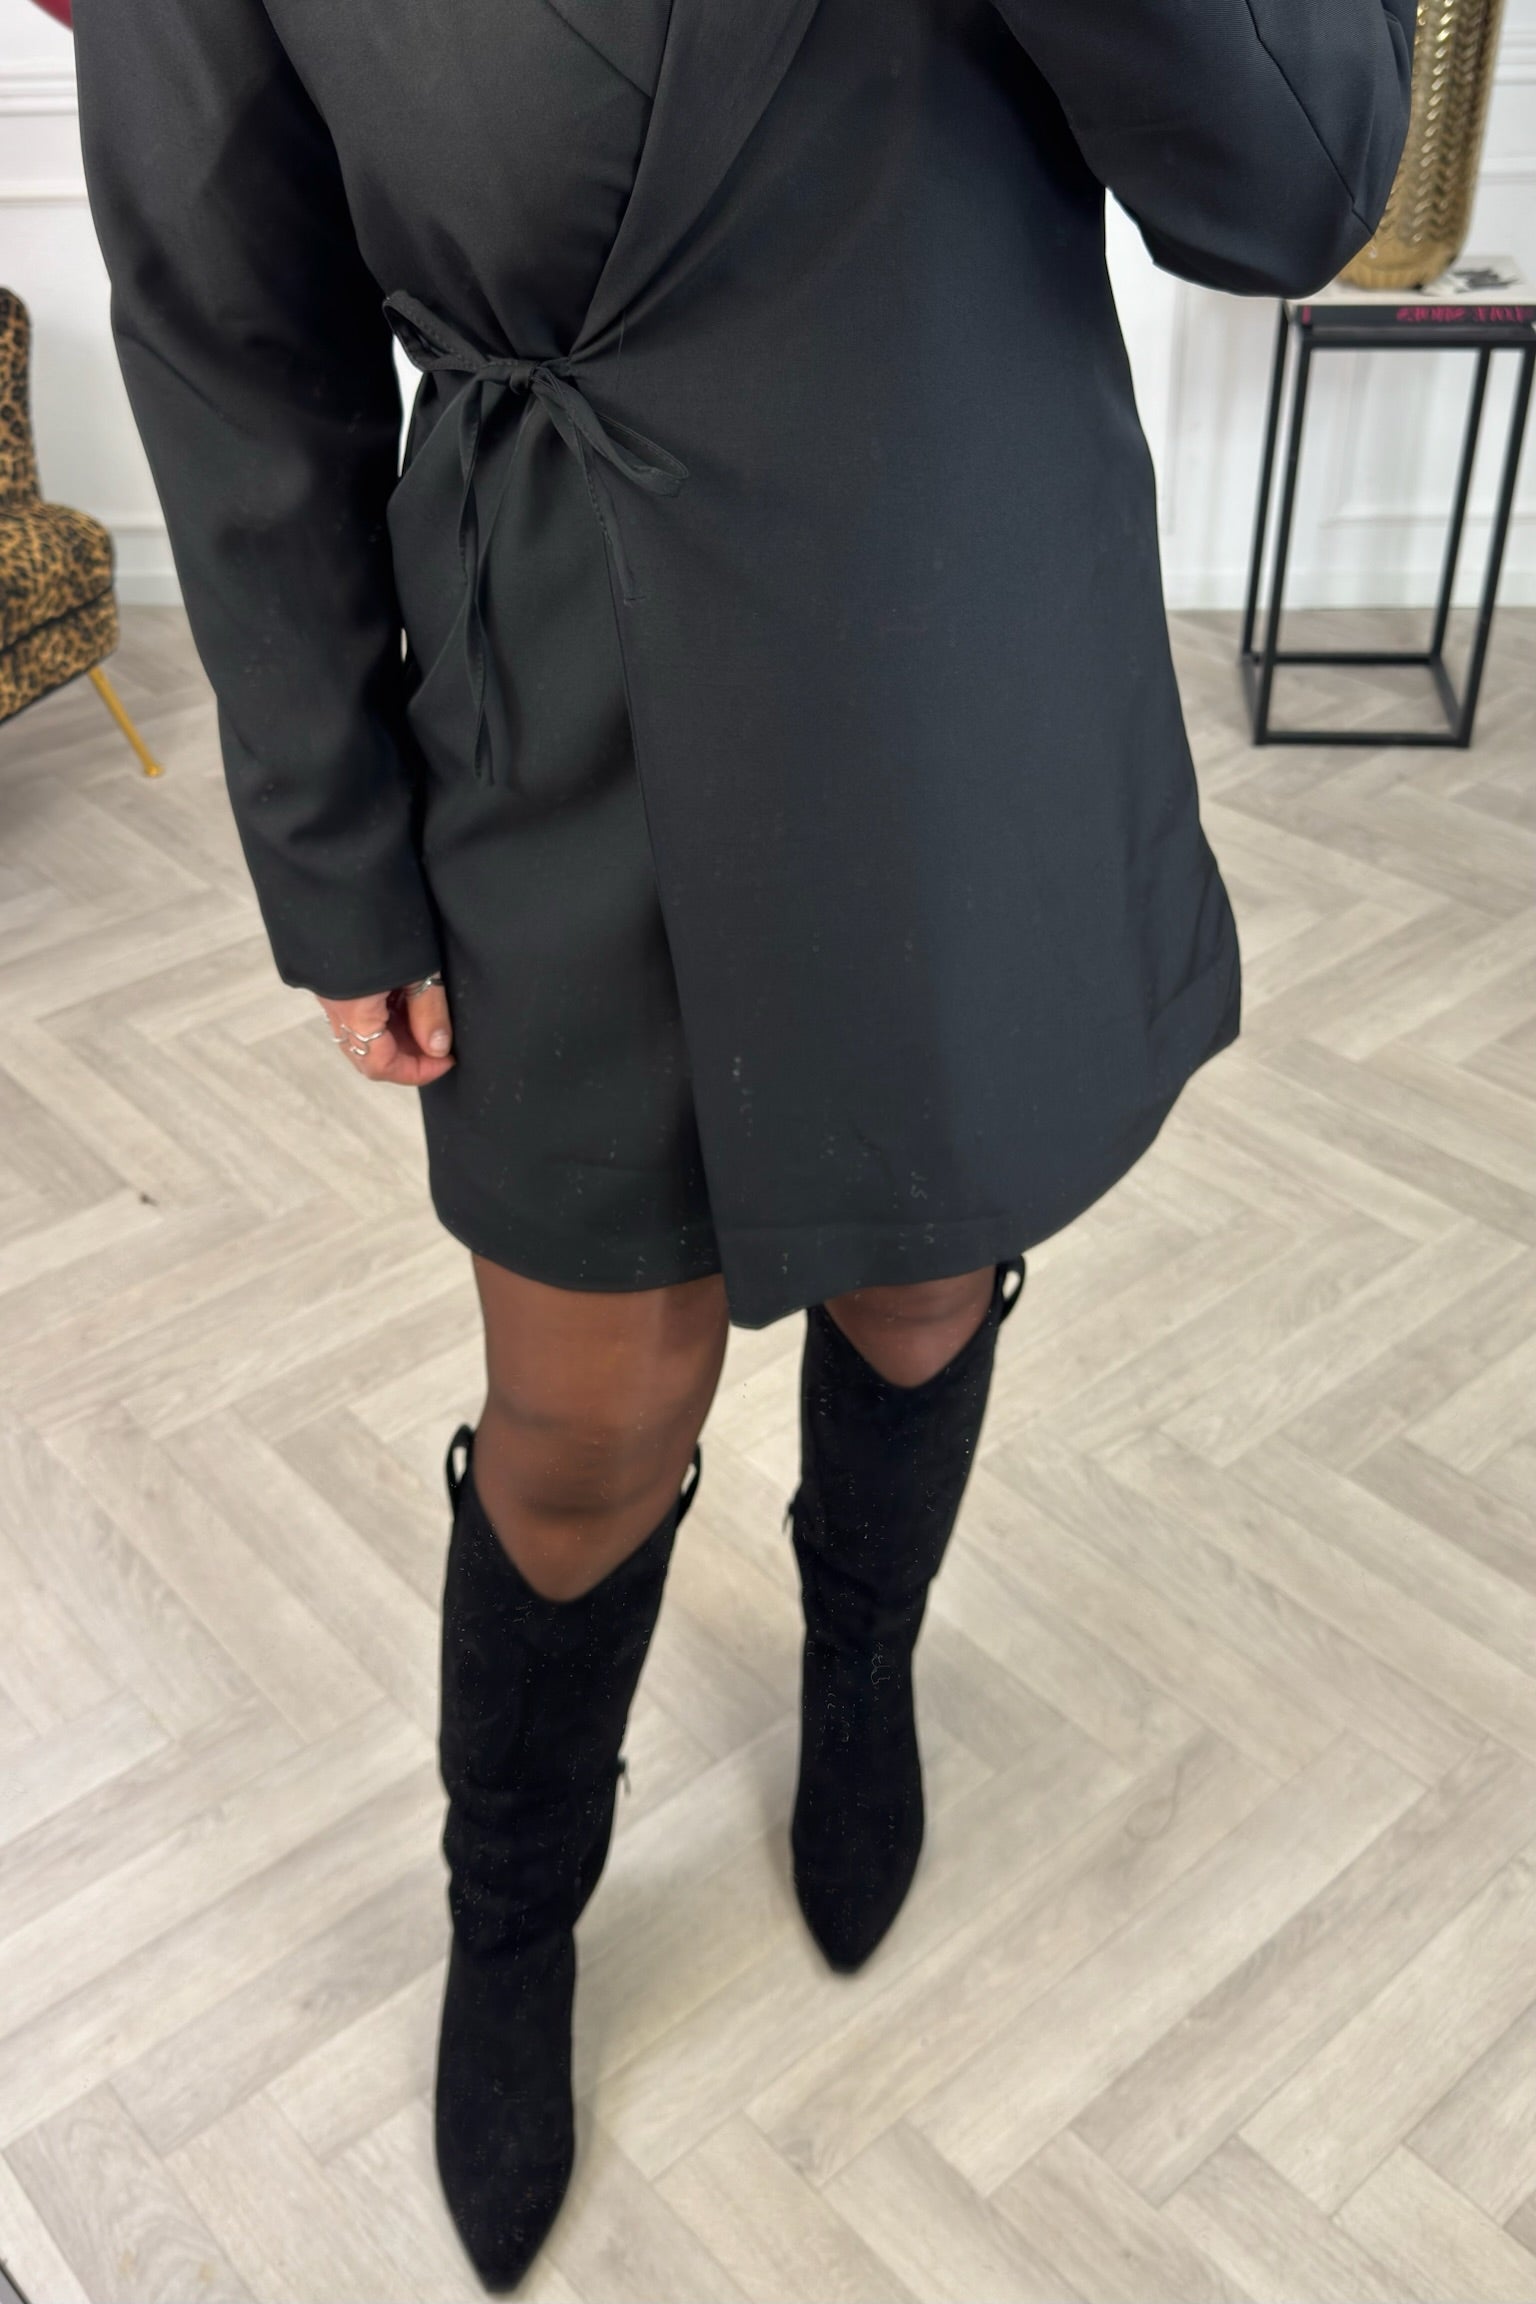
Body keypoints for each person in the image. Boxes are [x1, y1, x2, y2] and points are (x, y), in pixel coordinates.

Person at [72, 0, 1414, 2285]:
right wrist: (332, 839)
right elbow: (231, 322)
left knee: (921, 1281)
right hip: (557, 669)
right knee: (586, 1420)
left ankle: (860, 1662)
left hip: (949, 632)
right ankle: (516, 1913)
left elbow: (1298, 182)